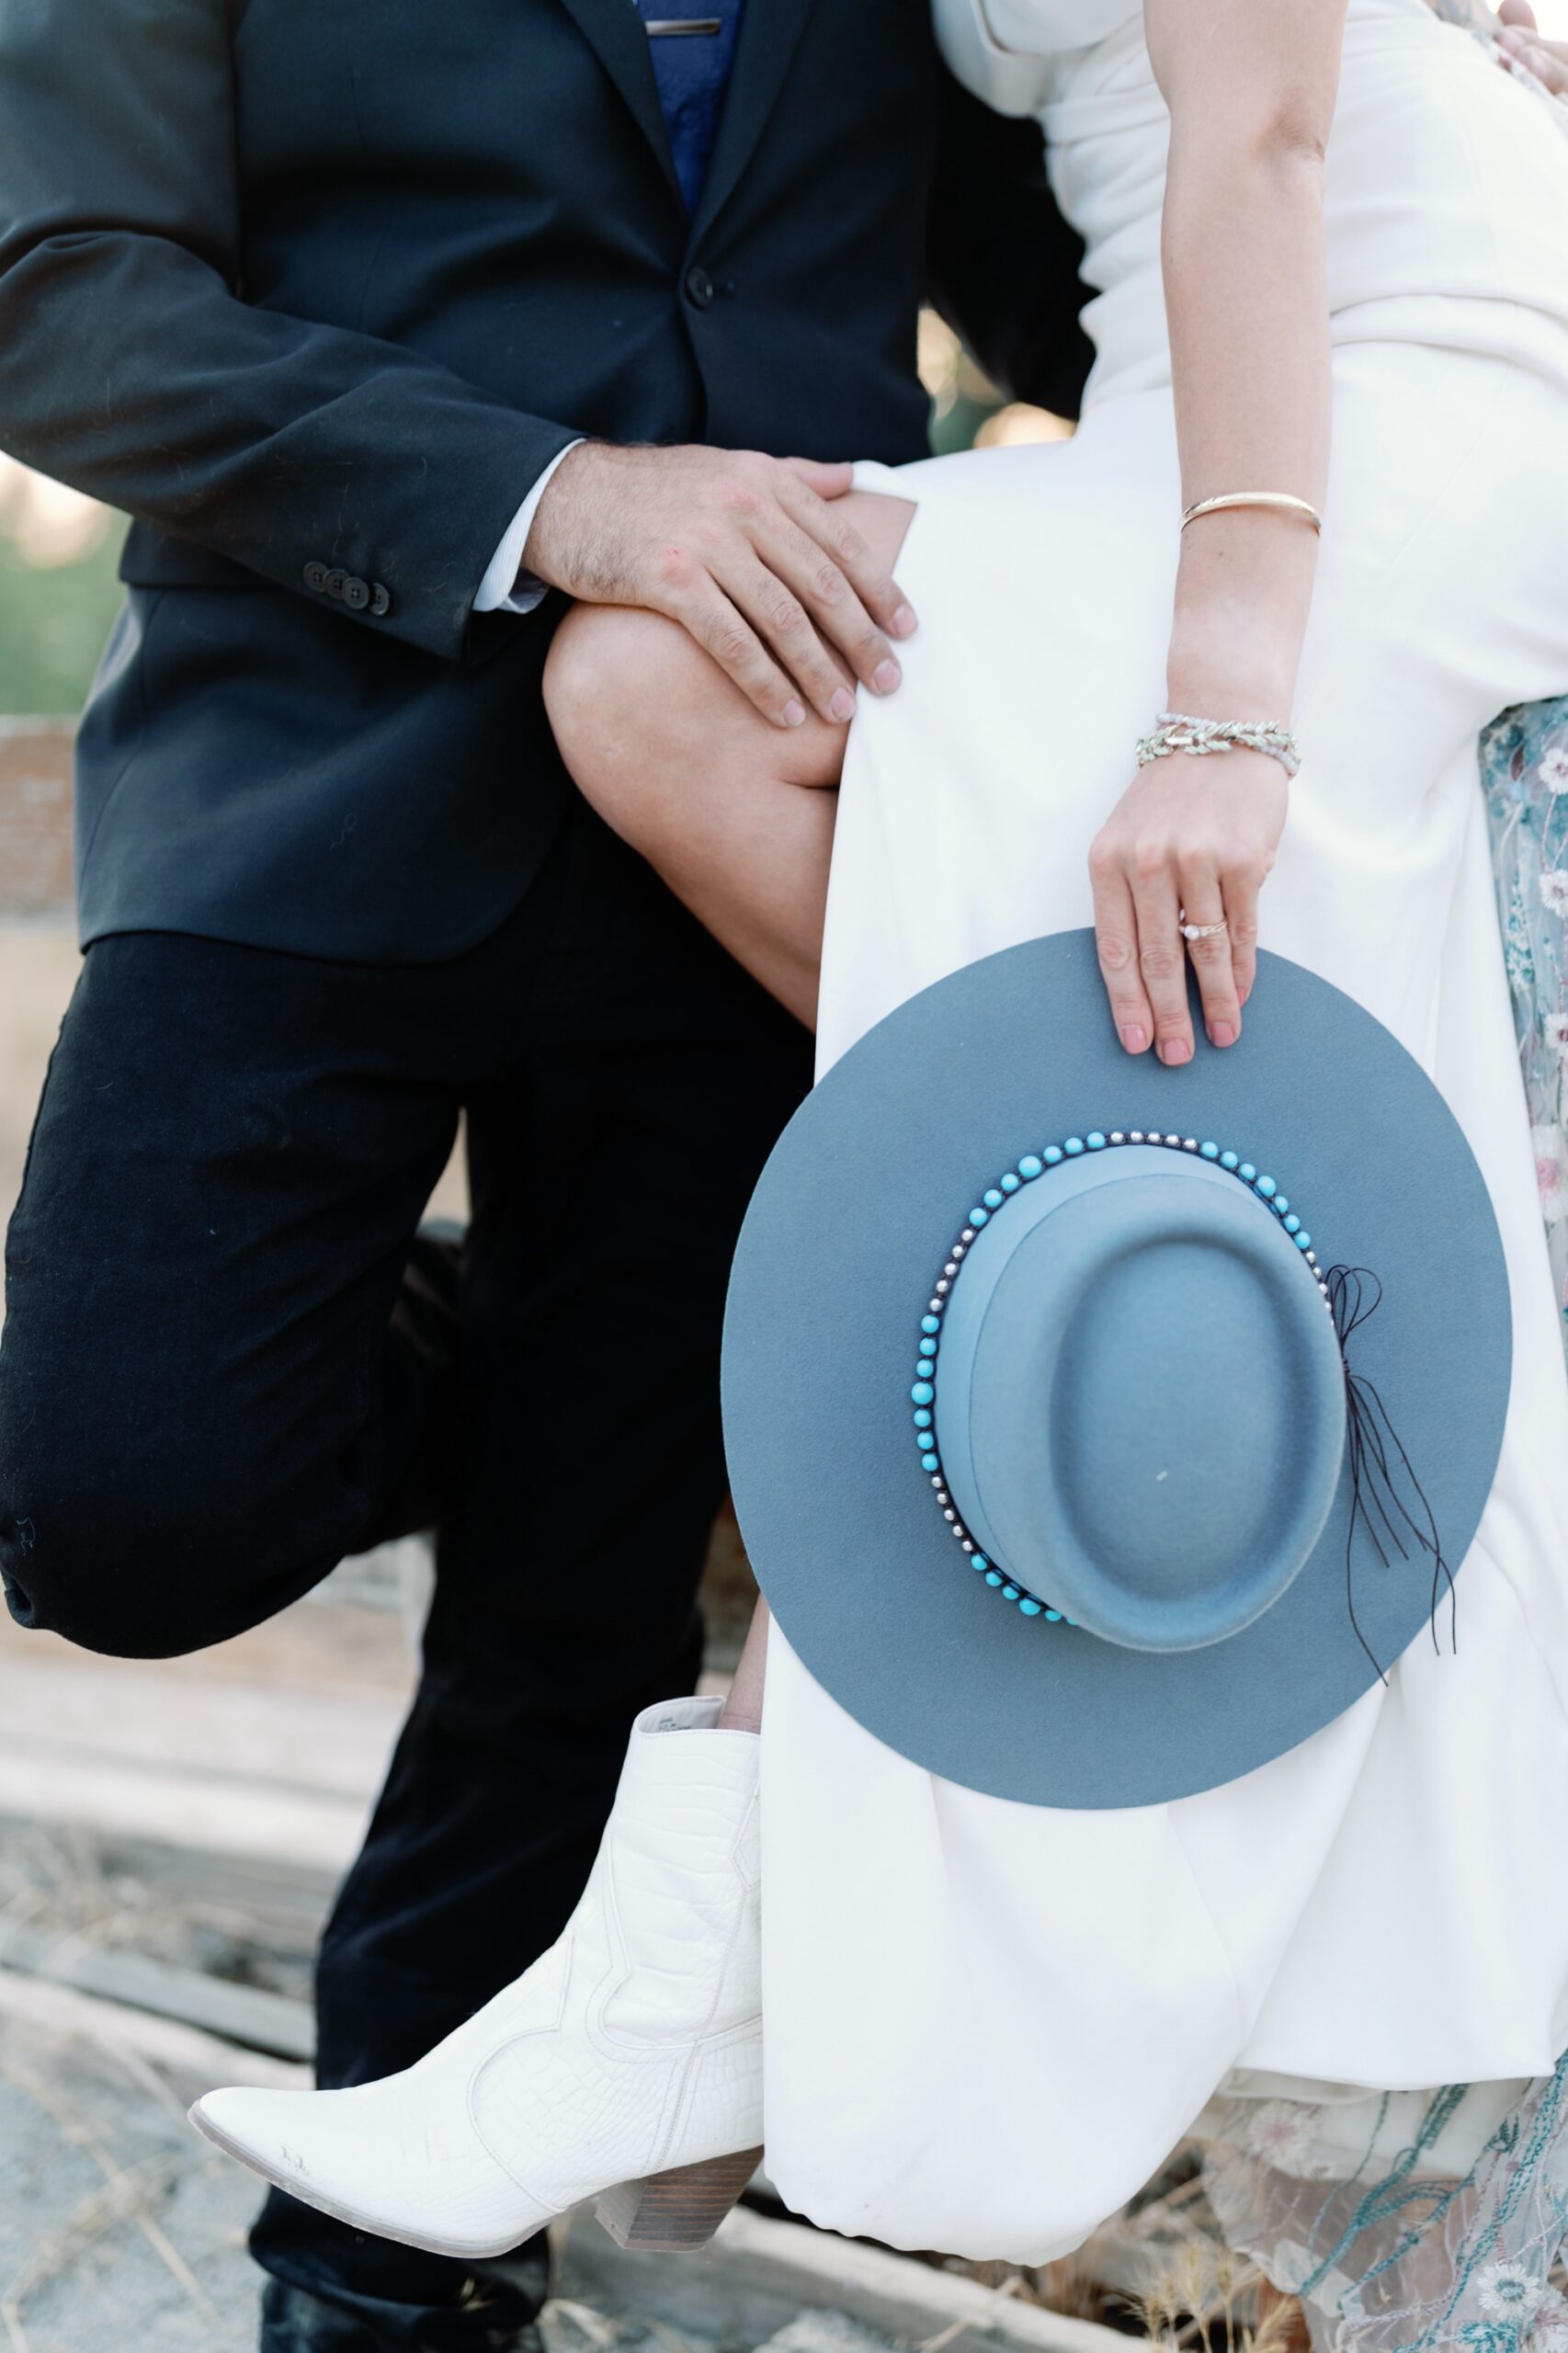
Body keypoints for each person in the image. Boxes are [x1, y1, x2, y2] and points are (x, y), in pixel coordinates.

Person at [187, 0, 1568, 2332]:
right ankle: (737, 1921)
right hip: (1186, 399)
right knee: (648, 680)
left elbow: (1257, 143)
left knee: (791, 733)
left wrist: (1225, 707)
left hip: (1415, 384)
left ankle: (709, 1938)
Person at [0, 4, 1098, 2345]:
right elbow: (53, 285)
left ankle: (389, 2285)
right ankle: (438, 1341)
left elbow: (1084, 276)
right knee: (130, 1501)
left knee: (571, 1632)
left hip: (770, 805)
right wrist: (564, 495)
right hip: (307, 770)